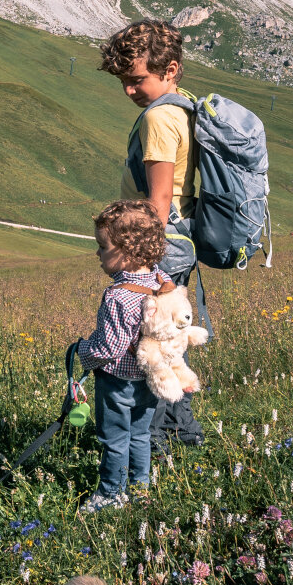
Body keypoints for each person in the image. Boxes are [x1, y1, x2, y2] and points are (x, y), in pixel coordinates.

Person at [99, 20, 208, 450]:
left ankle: (155, 444)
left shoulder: (160, 119)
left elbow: (159, 200)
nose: (129, 89)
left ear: (171, 69)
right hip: (179, 243)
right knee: (166, 348)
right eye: (123, 81)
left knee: (148, 350)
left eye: (137, 79)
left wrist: (138, 262)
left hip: (159, 246)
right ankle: (180, 439)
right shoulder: (182, 106)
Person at [74, 200, 169, 513]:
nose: (98, 253)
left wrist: (81, 350)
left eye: (103, 246)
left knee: (114, 439)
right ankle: (140, 489)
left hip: (118, 383)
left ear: (127, 251)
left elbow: (108, 349)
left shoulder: (117, 296)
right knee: (140, 435)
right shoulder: (161, 281)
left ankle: (110, 494)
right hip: (151, 377)